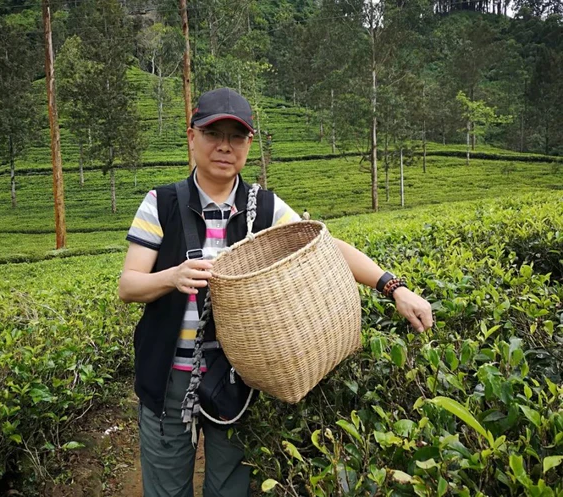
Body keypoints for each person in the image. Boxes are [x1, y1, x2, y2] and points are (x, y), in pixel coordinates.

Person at [118, 87, 433, 497]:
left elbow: (327, 246)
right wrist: (171, 276)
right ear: (191, 137)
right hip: (168, 377)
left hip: (235, 376)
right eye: (214, 134)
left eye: (237, 136)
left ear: (249, 144)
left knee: (229, 486)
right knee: (165, 487)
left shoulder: (262, 207)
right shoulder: (161, 204)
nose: (225, 147)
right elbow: (129, 285)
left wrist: (393, 287)